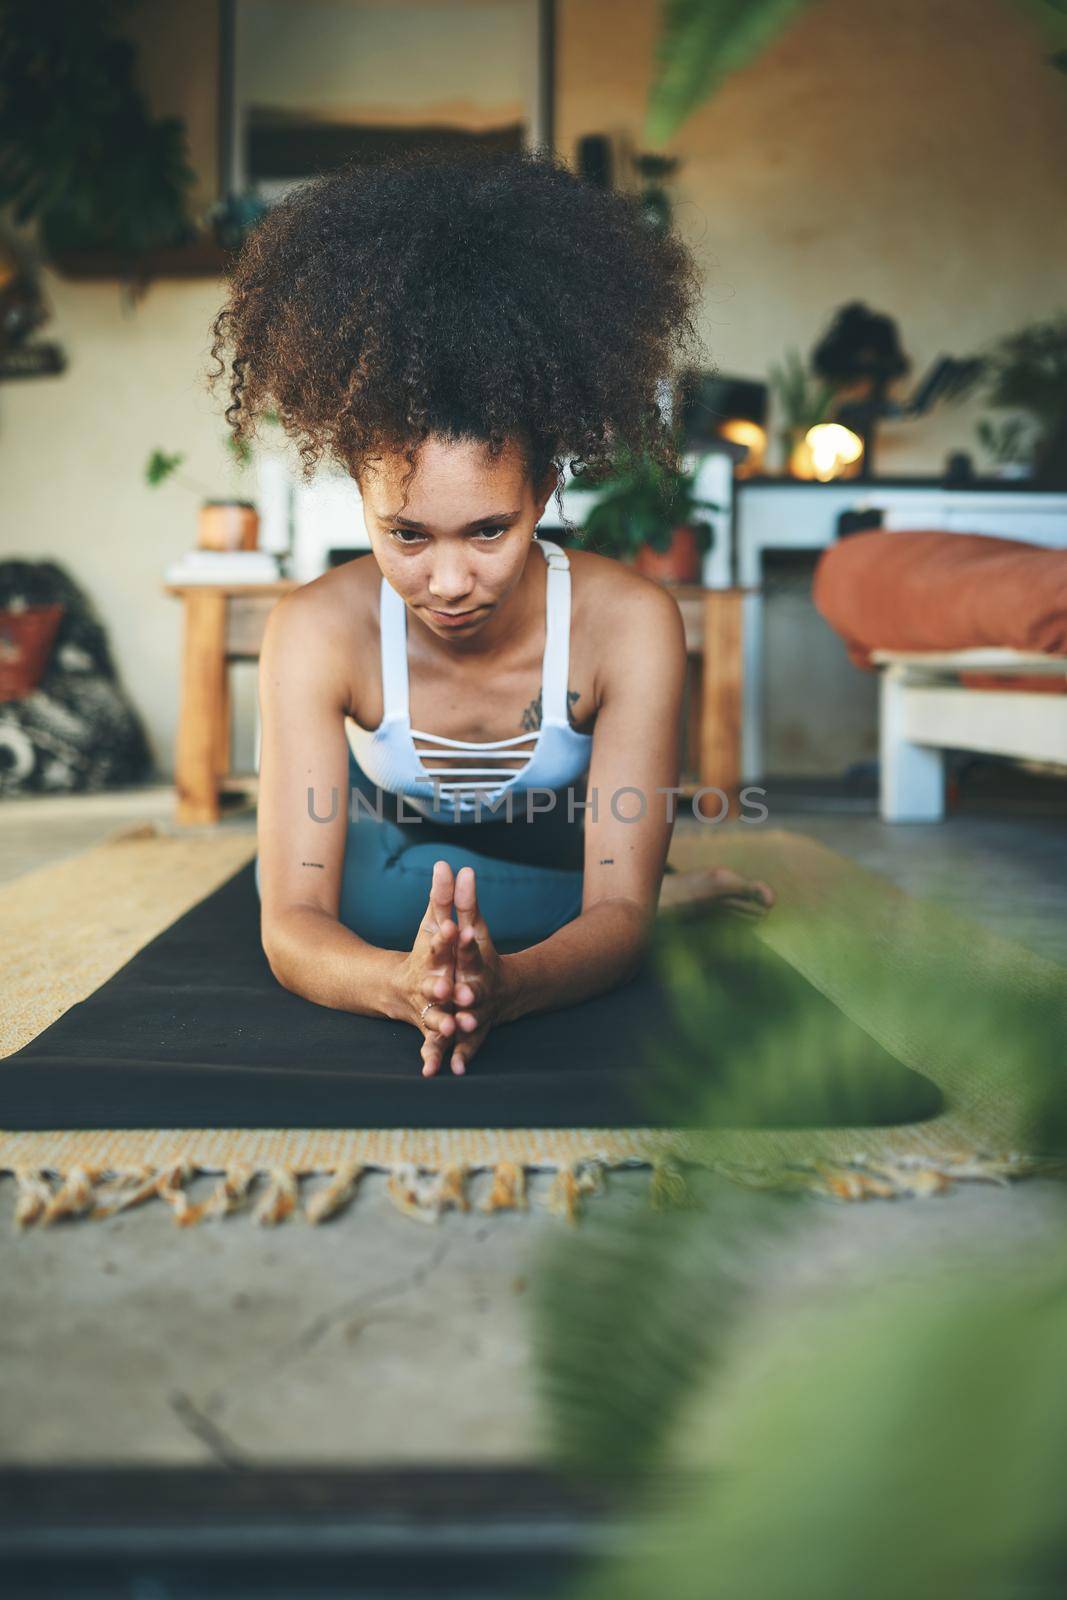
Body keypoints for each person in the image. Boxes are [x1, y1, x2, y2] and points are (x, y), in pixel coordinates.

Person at [210, 150, 773, 1079]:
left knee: (580, 905)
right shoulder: (316, 629)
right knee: (361, 893)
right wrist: (403, 986)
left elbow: (615, 921)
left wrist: (513, 983)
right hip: (394, 857)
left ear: (545, 491)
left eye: (487, 531)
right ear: (358, 494)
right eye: (405, 534)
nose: (447, 581)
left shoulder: (627, 623)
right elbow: (293, 927)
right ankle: (635, 902)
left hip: (565, 837)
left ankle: (634, 896)